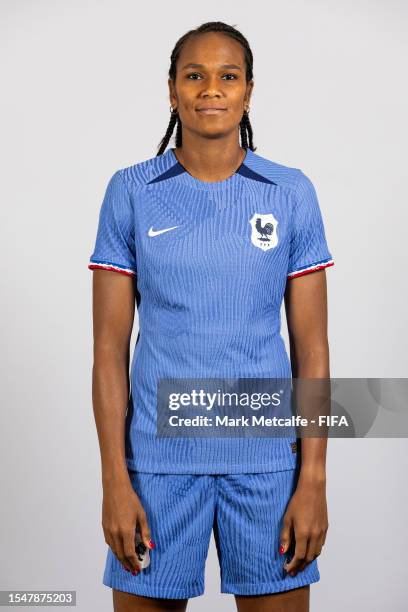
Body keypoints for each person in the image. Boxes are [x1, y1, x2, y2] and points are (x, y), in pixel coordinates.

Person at [88, 21, 334, 612]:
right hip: (156, 468)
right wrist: (114, 482)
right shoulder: (132, 192)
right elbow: (107, 350)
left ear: (249, 91)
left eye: (228, 76)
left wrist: (314, 480)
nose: (211, 90)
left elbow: (313, 349)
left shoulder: (289, 192)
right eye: (194, 76)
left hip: (269, 467)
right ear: (172, 90)